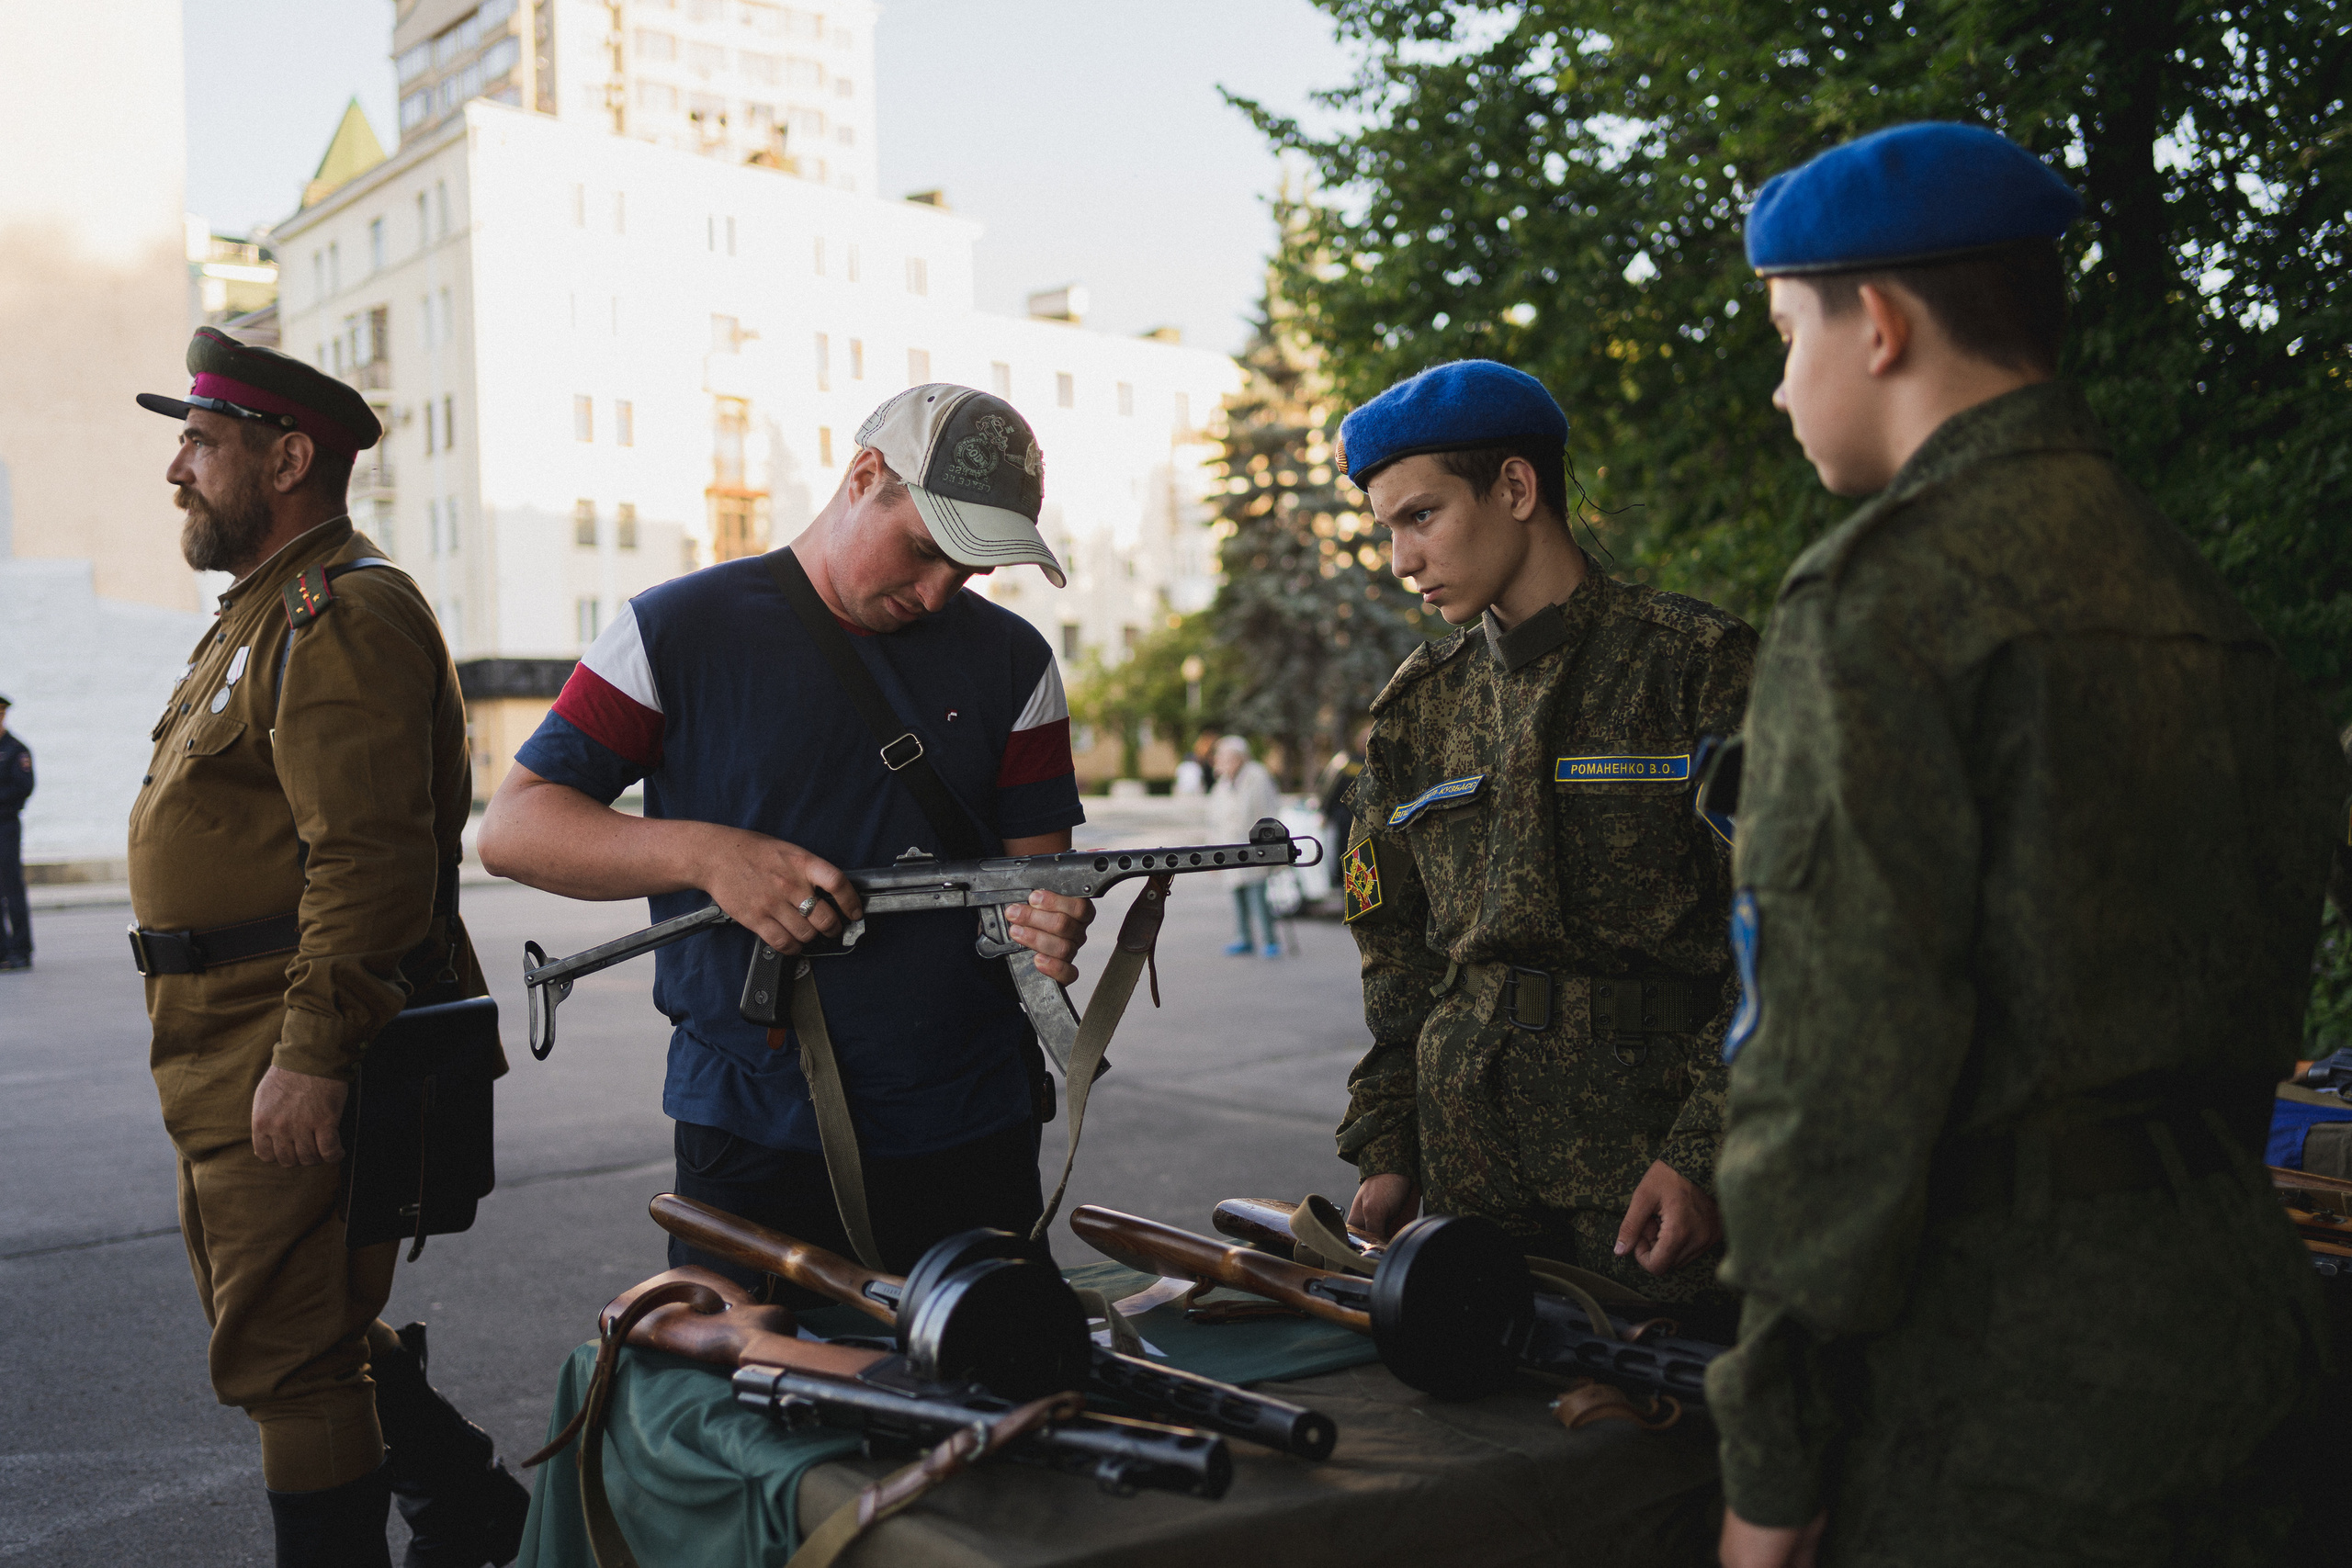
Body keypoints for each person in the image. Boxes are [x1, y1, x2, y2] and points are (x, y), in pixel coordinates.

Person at [1709, 123, 2348, 1568]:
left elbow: (1834, 1076)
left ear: (1880, 325)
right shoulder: (2197, 596)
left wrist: (1771, 1462)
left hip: (2001, 1387)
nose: (1780, 386)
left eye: (1787, 335)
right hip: (2246, 1328)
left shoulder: (1879, 603)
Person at [478, 384, 1094, 1285]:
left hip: (974, 1124)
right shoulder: (674, 629)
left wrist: (1054, 921)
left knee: (988, 1369)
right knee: (754, 1372)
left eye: (969, 569)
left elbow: (1042, 877)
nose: (936, 593)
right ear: (864, 476)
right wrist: (709, 857)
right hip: (752, 1128)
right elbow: (514, 826)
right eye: (926, 549)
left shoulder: (1016, 659)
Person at [130, 327, 527, 1567]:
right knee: (294, 1322)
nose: (177, 469)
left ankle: (457, 1510)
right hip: (219, 1035)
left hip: (281, 1033)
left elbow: (369, 860)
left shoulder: (341, 611)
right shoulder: (264, 611)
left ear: (289, 458)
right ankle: (469, 1504)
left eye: (202, 443)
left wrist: (310, 1054)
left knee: (291, 1357)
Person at [1334, 359, 1757, 1308]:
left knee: (1655, 1395)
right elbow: (1392, 951)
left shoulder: (1694, 670)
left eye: (1420, 516)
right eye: (1388, 528)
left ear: (1517, 488)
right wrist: (1388, 1141)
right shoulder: (1418, 710)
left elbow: (1784, 935)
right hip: (1468, 1166)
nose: (1400, 559)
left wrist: (1706, 1150)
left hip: (1646, 1173)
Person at [1207, 734, 1284, 956]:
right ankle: (1243, 938)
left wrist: (1271, 846)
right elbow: (1213, 820)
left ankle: (1270, 940)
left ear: (1238, 758)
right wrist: (1212, 852)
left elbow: (1268, 812)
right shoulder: (1222, 783)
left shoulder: (1256, 776)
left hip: (1253, 848)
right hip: (1229, 848)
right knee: (1237, 894)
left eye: (1224, 757)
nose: (1219, 761)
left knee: (1257, 894)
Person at [0, 693, 29, 971]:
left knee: (11, 887)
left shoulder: (16, 749)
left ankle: (21, 949)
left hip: (6, 825)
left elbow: (23, 787)